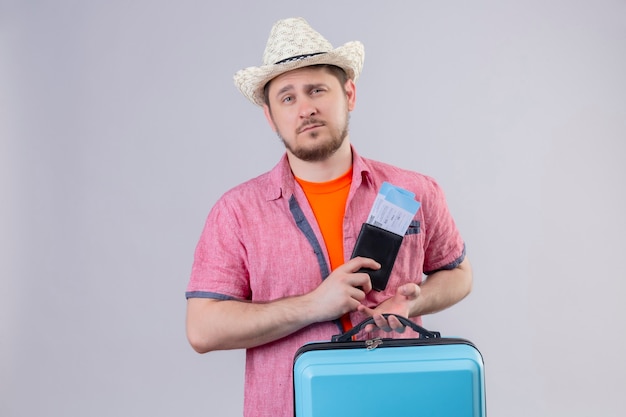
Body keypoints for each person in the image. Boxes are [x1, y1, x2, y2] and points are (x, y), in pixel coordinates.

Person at [185, 17, 472, 417]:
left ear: (349, 94)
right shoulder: (236, 212)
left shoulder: (416, 191)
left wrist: (411, 300)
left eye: (317, 89)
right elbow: (202, 329)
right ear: (270, 117)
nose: (305, 108)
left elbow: (459, 274)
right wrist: (313, 305)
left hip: (401, 403)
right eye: (287, 98)